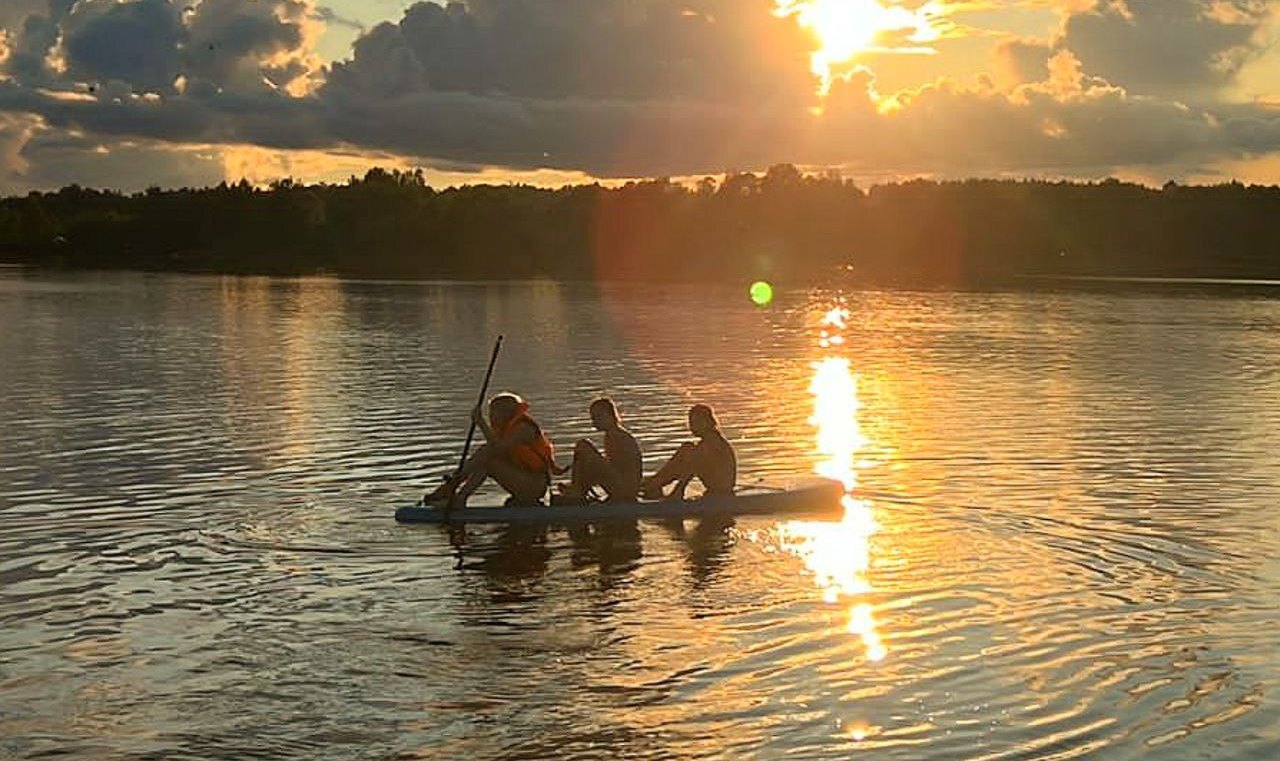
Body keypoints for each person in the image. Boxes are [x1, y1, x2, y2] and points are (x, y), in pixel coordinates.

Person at [424, 392, 560, 508]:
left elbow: (498, 448)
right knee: (485, 456)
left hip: (534, 487)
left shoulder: (524, 429)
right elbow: (493, 449)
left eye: (493, 412)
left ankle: (452, 490)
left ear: (505, 412)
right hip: (522, 479)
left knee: (488, 459)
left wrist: (481, 423)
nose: (491, 417)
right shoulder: (506, 429)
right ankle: (455, 493)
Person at [640, 404, 737, 501]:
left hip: (721, 488)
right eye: (690, 422)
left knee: (690, 452)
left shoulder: (712, 442)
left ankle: (664, 486)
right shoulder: (707, 441)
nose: (691, 426)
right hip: (716, 484)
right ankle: (655, 483)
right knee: (687, 447)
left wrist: (678, 490)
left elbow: (692, 465)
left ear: (707, 422)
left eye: (695, 422)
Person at [556, 397, 643, 503]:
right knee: (585, 450)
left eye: (597, 417)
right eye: (593, 417)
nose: (594, 422)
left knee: (583, 446)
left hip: (625, 491)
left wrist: (588, 471)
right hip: (625, 487)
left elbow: (614, 469)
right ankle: (578, 489)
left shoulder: (615, 436)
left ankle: (577, 491)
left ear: (609, 416)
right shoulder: (613, 434)